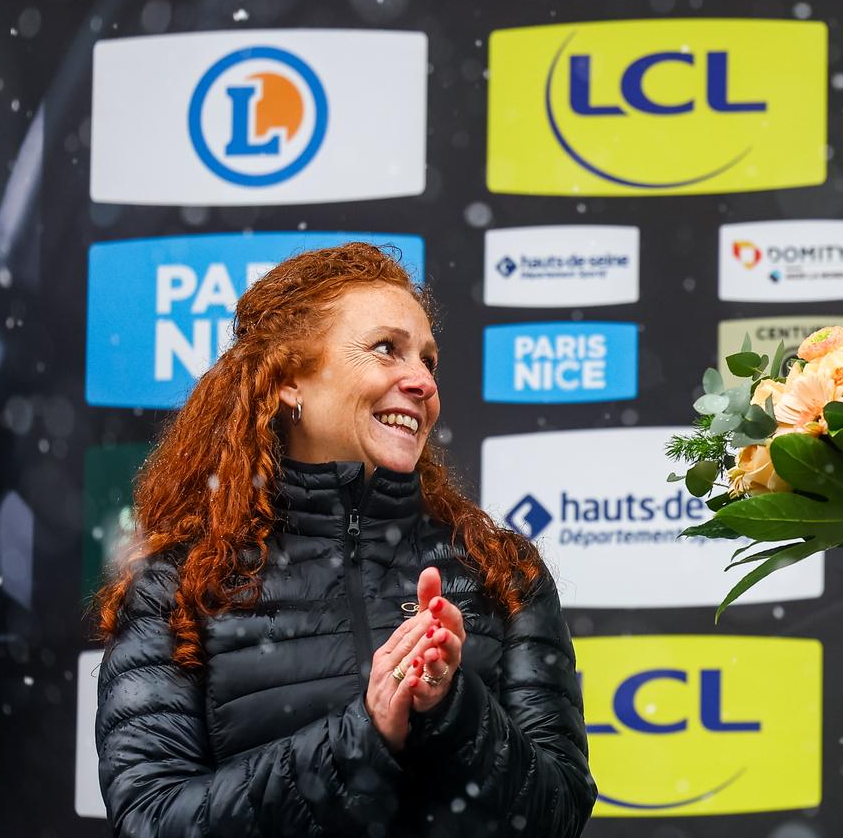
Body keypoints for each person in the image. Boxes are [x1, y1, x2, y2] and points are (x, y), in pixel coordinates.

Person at [94, 242, 594, 837]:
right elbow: (151, 821)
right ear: (286, 382)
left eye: (428, 360)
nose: (422, 382)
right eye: (387, 349)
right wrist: (363, 736)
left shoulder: (499, 573)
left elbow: (558, 813)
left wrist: (452, 707)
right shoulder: (178, 588)